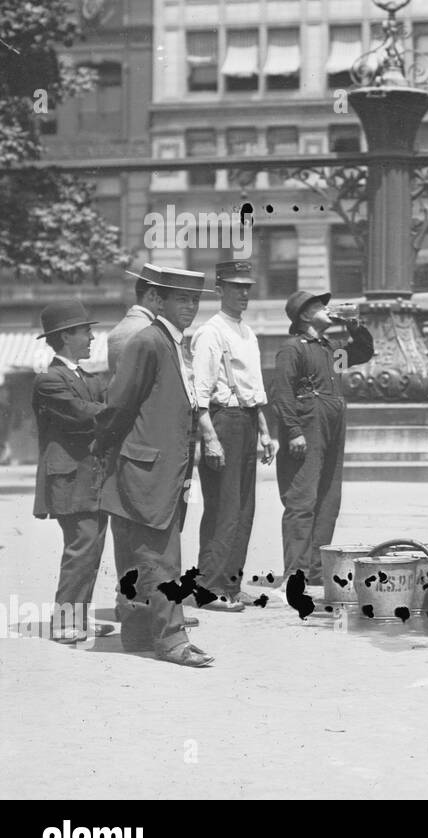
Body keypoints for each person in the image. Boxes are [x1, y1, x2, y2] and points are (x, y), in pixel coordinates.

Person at [93, 267, 216, 667]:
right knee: (163, 561)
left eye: (195, 300)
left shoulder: (171, 342)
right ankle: (172, 640)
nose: (191, 307)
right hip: (144, 472)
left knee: (136, 559)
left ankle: (137, 633)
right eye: (182, 299)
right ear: (157, 300)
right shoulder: (148, 341)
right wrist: (103, 450)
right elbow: (118, 406)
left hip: (154, 470)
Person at [272, 289, 374, 588]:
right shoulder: (294, 348)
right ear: (304, 314)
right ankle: (296, 572)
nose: (329, 309)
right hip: (308, 424)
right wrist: (293, 432)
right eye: (320, 305)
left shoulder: (331, 349)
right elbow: (282, 393)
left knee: (329, 498)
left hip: (333, 423)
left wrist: (355, 325)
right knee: (302, 500)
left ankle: (315, 569)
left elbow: (364, 352)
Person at [190, 260, 276, 611]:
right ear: (219, 290)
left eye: (247, 287)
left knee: (244, 509)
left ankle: (231, 584)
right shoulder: (210, 332)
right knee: (222, 509)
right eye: (236, 287)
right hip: (222, 421)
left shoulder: (248, 333)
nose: (243, 294)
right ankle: (207, 588)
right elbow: (199, 394)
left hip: (247, 420)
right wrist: (209, 438)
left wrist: (266, 433)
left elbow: (254, 391)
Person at [31, 301, 115, 644]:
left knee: (92, 548)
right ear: (66, 336)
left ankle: (78, 617)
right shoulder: (49, 380)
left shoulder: (86, 377)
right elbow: (83, 414)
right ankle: (64, 621)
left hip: (91, 476)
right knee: (81, 547)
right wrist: (114, 413)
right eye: (85, 331)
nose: (92, 337)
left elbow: (102, 406)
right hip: (70, 478)